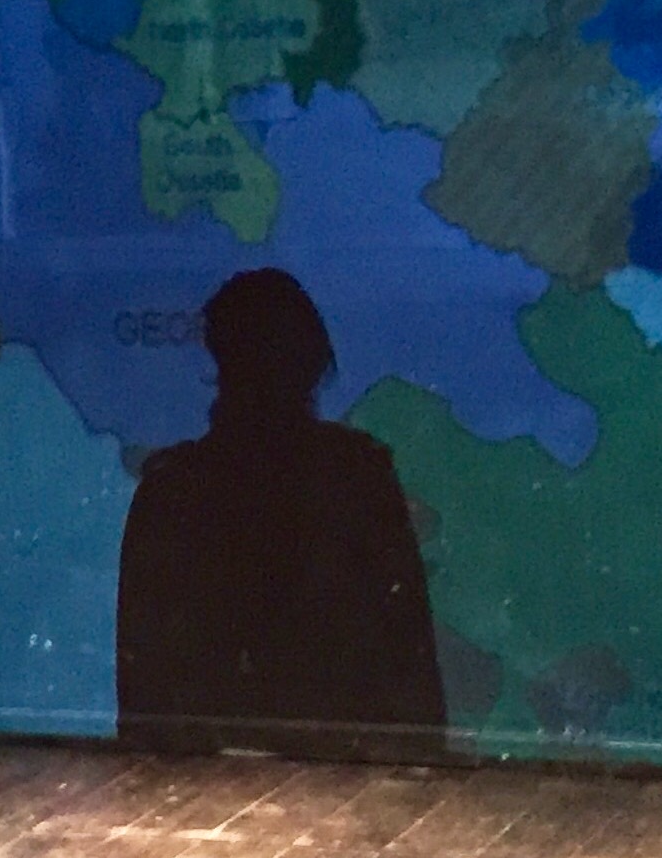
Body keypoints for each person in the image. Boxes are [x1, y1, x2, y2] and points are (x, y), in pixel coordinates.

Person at [116, 268, 449, 757]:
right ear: (313, 363)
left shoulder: (172, 488)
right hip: (342, 758)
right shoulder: (358, 475)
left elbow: (145, 689)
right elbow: (410, 658)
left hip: (254, 764)